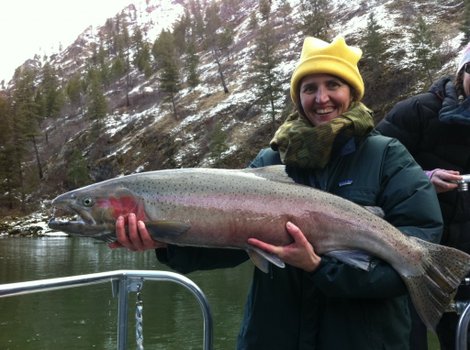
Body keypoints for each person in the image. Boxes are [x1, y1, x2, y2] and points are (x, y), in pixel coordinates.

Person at [110, 36, 443, 350]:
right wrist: (167, 242)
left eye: (333, 85)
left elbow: (418, 238)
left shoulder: (387, 156)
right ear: (298, 97)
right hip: (274, 336)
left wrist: (319, 267)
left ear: (353, 93)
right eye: (309, 88)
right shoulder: (270, 161)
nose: (321, 98)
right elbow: (231, 246)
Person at [375, 42, 470, 350]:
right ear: (461, 73)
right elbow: (371, 167)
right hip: (414, 255)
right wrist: (424, 179)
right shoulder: (417, 111)